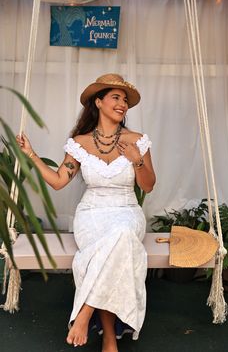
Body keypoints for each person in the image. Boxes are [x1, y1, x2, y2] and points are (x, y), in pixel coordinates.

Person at [16, 73, 156, 352]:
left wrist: (137, 160)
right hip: (91, 213)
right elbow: (58, 182)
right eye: (116, 97)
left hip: (126, 209)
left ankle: (84, 312)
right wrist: (32, 155)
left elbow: (148, 186)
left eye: (125, 100)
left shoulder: (137, 141)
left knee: (123, 235)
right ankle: (107, 338)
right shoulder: (79, 143)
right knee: (115, 248)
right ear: (99, 101)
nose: (122, 104)